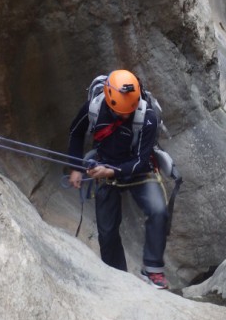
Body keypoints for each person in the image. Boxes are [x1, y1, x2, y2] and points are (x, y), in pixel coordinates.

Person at [68, 69, 169, 289]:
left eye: (129, 112)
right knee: (107, 232)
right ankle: (117, 277)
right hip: (105, 164)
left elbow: (141, 162)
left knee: (159, 210)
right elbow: (76, 133)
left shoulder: (146, 116)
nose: (125, 116)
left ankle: (152, 269)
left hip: (138, 170)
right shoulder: (94, 107)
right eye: (121, 113)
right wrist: (75, 167)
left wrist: (110, 172)